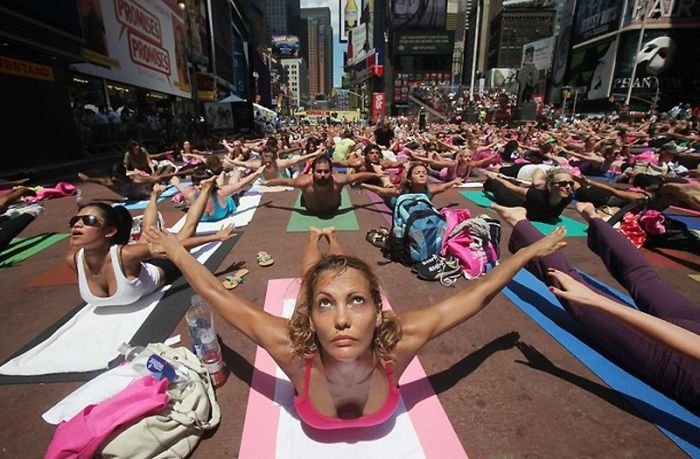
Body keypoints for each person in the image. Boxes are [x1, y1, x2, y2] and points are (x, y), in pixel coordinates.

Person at [146, 220, 566, 428]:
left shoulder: (397, 344)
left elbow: (476, 295)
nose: (342, 320)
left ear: (378, 310)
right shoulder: (294, 349)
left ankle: (332, 245)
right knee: (319, 273)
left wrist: (527, 255)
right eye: (325, 306)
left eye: (358, 303)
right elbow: (219, 295)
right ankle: (315, 240)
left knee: (339, 273)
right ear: (309, 316)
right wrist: (176, 251)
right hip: (313, 321)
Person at [494, 202, 700, 410]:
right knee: (573, 288)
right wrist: (597, 300)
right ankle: (518, 220)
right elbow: (691, 344)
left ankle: (594, 218)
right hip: (688, 360)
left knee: (642, 276)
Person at [65, 178, 233, 307]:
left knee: (186, 229)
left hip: (161, 266)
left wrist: (216, 237)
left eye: (89, 220)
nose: (78, 225)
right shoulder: (73, 260)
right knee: (148, 232)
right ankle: (154, 195)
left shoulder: (126, 255)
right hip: (135, 263)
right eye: (74, 221)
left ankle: (205, 190)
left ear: (110, 231)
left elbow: (175, 247)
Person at [263, 156, 383, 216]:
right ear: (313, 171)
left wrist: (377, 175)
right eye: (319, 171)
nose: (322, 174)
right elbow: (285, 181)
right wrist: (268, 183)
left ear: (331, 171)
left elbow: (358, 176)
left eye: (326, 171)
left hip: (333, 208)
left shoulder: (339, 180)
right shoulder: (303, 182)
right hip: (310, 208)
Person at [170, 166, 264, 222]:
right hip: (215, 190)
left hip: (230, 201)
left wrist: (257, 173)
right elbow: (178, 185)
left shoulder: (221, 193)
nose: (199, 187)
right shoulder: (191, 195)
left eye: (202, 184)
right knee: (223, 184)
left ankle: (237, 172)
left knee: (233, 184)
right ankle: (222, 174)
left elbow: (240, 185)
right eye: (196, 184)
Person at [483, 167, 574, 222]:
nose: (568, 187)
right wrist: (496, 178)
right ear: (550, 185)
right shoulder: (536, 195)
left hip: (528, 202)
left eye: (571, 183)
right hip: (513, 201)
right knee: (496, 186)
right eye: (563, 183)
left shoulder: (567, 198)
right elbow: (512, 188)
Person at [361, 162, 462, 208]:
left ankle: (381, 171)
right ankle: (377, 168)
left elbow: (443, 187)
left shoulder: (429, 190)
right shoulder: (401, 191)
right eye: (417, 173)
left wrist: (454, 182)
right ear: (410, 179)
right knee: (386, 182)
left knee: (387, 181)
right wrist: (363, 184)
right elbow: (379, 191)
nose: (421, 174)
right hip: (394, 201)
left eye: (424, 173)